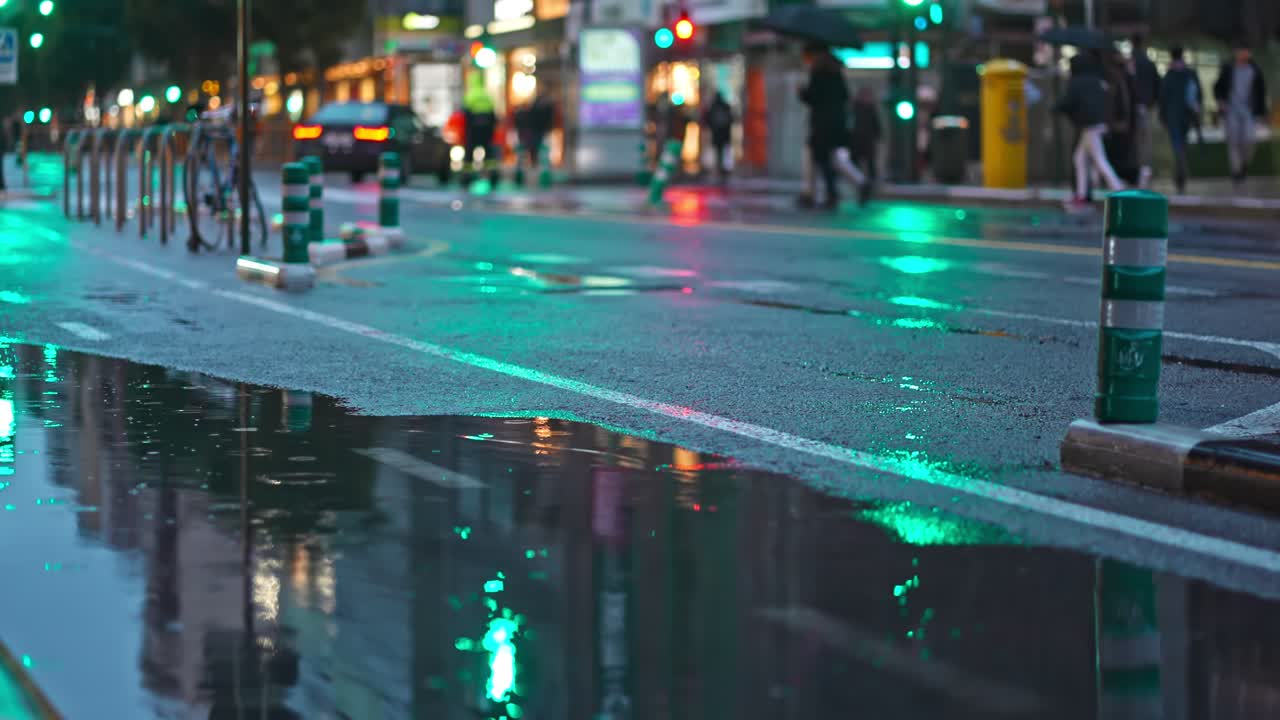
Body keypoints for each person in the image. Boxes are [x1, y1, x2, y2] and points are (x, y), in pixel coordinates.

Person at [797, 42, 864, 209]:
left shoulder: (818, 72)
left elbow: (813, 98)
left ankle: (826, 193)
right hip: (837, 123)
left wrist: (801, 92)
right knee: (830, 158)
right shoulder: (836, 72)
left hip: (822, 124)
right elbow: (844, 96)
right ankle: (854, 184)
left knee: (821, 158)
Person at [1056, 52, 1126, 210]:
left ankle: (1118, 189)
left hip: (1089, 126)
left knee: (1099, 160)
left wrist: (1056, 108)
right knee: (1079, 158)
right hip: (1098, 124)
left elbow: (1068, 101)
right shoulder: (1098, 81)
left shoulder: (1078, 82)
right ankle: (1081, 196)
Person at [1213, 41, 1268, 186]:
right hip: (1231, 111)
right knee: (1233, 142)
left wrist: (1261, 113)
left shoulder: (1255, 70)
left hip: (1249, 112)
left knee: (1249, 140)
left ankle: (1244, 165)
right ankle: (1236, 171)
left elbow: (1261, 93)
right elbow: (1218, 87)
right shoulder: (1228, 68)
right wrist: (1221, 102)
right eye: (1240, 50)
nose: (1242, 54)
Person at [1158, 46, 1202, 194]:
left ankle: (1180, 170)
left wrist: (1162, 117)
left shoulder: (1169, 76)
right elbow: (1198, 95)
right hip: (1186, 116)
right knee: (1182, 143)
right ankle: (1181, 171)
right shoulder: (1190, 74)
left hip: (1173, 117)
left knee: (1178, 144)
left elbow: (1163, 99)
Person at [1129, 34, 1161, 187]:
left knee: (1136, 140)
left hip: (1134, 106)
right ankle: (1146, 170)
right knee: (1146, 140)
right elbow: (1157, 84)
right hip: (1147, 105)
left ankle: (1139, 170)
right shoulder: (1148, 63)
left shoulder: (1131, 62)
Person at [849, 86, 882, 187]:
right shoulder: (855, 108)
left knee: (869, 161)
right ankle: (859, 180)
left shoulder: (870, 108)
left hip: (867, 139)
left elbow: (876, 124)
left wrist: (878, 135)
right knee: (857, 161)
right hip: (857, 139)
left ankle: (869, 180)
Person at [701, 92, 734, 183]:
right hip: (724, 133)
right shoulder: (725, 106)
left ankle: (720, 167)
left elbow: (707, 119)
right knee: (723, 151)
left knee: (718, 151)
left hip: (717, 133)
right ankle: (722, 168)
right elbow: (731, 119)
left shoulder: (713, 107)